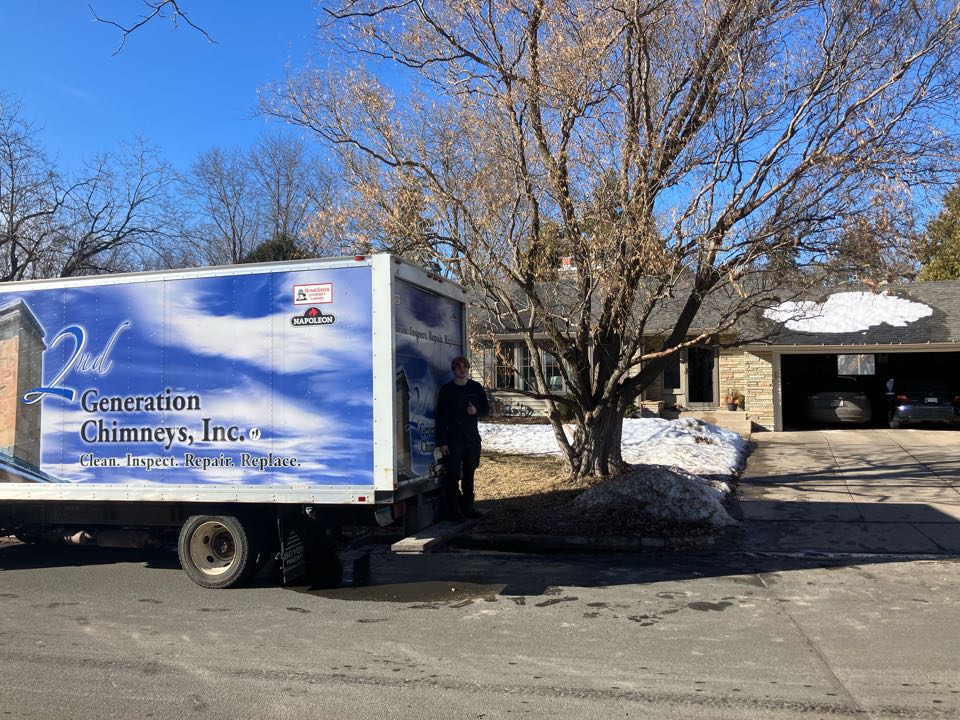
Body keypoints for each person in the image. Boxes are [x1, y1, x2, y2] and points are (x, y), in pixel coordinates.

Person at [435, 355, 489, 520]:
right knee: (453, 475)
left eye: (465, 366)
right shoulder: (447, 390)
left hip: (472, 439)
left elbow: (486, 409)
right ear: (454, 370)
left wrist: (476, 411)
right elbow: (441, 418)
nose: (462, 369)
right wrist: (442, 442)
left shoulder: (475, 387)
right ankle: (454, 509)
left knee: (469, 473)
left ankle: (468, 506)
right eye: (458, 367)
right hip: (453, 440)